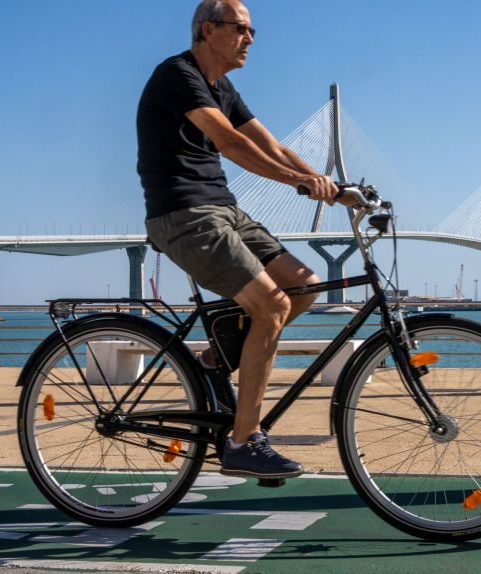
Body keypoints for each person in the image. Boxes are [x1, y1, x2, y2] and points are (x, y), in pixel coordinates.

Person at [137, 0, 350, 479]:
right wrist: (298, 183)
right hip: (184, 214)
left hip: (225, 210)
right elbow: (232, 144)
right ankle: (242, 441)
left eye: (253, 31)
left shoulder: (223, 87)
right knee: (271, 306)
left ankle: (215, 361)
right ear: (208, 29)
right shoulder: (178, 74)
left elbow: (272, 146)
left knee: (304, 285)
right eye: (241, 29)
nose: (250, 39)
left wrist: (332, 187)